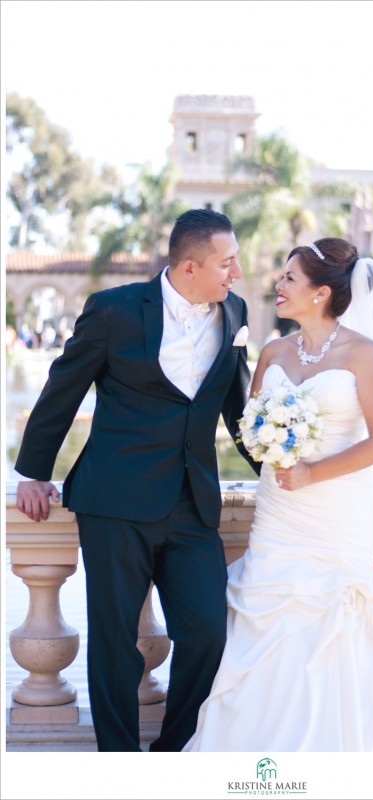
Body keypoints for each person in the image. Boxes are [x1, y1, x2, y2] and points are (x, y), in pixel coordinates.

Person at [183, 238, 373, 752]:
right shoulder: (273, 351)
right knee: (266, 622)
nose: (279, 284)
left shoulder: (361, 353)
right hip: (279, 514)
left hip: (334, 515)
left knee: (338, 624)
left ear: (319, 293)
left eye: (290, 277)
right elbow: (251, 429)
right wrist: (273, 444)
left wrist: (314, 473)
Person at [14, 208, 260, 752]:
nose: (236, 272)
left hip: (194, 504)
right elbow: (64, 388)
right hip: (115, 501)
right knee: (114, 642)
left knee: (207, 635)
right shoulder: (114, 310)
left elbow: (238, 406)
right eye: (227, 262)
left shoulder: (234, 311)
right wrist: (33, 471)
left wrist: (277, 469)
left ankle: (173, 755)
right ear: (190, 267)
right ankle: (120, 765)